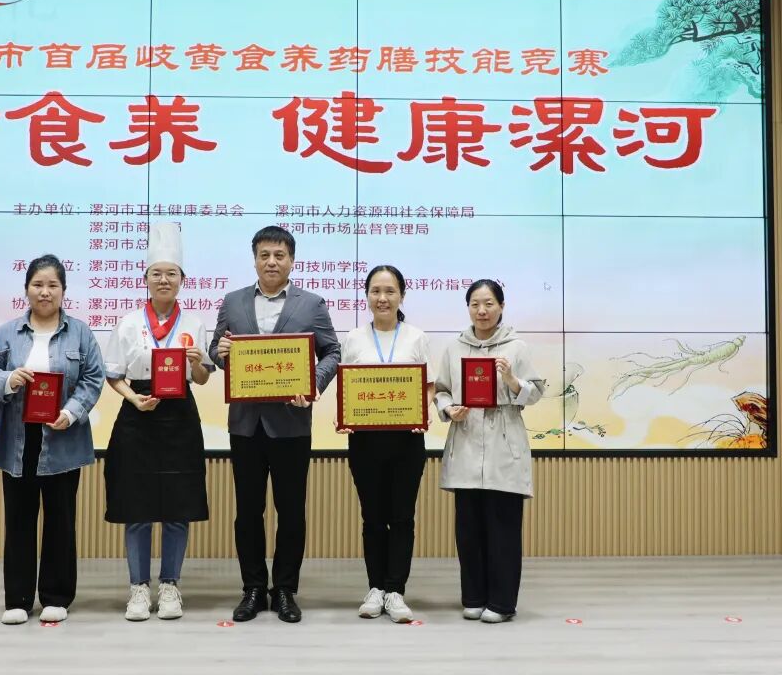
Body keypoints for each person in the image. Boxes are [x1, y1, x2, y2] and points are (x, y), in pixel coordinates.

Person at [209, 225, 341, 624]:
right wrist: (221, 352)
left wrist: (313, 384)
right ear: (254, 259)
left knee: (291, 511)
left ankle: (285, 589)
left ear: (292, 260)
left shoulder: (312, 304)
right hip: (246, 425)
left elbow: (332, 352)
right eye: (264, 255)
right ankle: (252, 588)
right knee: (248, 511)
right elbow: (217, 350)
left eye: (279, 255)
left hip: (292, 424)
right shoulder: (232, 301)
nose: (271, 262)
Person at [0, 255, 105, 625]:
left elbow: (93, 378)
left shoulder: (80, 333)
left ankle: (56, 597)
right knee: (19, 519)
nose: (45, 292)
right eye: (38, 285)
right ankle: (17, 599)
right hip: (18, 438)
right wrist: (7, 380)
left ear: (63, 291)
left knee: (61, 520)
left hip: (63, 436)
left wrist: (72, 412)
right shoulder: (7, 333)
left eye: (52, 285)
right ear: (27, 289)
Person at [102, 222, 214, 622]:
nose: (164, 280)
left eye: (171, 273)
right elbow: (113, 374)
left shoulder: (194, 324)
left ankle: (170, 585)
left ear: (182, 279)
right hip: (138, 414)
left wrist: (197, 364)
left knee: (177, 506)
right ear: (146, 279)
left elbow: (201, 378)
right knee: (137, 505)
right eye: (156, 273)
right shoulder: (129, 322)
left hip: (180, 416)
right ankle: (138, 587)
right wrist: (134, 398)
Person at [433, 279, 544, 624]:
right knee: (468, 530)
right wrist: (448, 408)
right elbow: (441, 390)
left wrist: (512, 381)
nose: (482, 311)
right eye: (475, 304)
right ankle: (473, 597)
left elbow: (536, 392)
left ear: (501, 306)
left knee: (503, 530)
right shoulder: (454, 348)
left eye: (489, 304)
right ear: (468, 308)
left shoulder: (516, 347)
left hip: (503, 445)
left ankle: (502, 603)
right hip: (466, 441)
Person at [336, 265, 434, 624]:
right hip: (365, 442)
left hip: (407, 441)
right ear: (367, 296)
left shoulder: (417, 337)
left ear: (402, 296)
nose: (382, 298)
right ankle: (375, 588)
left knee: (402, 517)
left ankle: (396, 590)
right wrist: (344, 416)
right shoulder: (354, 338)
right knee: (372, 517)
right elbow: (346, 386)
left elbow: (427, 387)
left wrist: (422, 413)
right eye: (376, 291)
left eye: (390, 291)